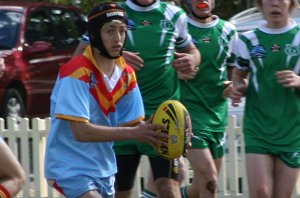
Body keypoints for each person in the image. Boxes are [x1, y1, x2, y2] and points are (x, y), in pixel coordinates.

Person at [44, 3, 166, 198]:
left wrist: (168, 134)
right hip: (69, 167)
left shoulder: (127, 74)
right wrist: (135, 132)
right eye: (110, 31)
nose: (118, 38)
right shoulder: (75, 72)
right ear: (94, 34)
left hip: (105, 169)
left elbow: (134, 124)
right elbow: (80, 132)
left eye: (122, 31)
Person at [113, 0, 200, 197]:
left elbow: (192, 50)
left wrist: (192, 59)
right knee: (121, 191)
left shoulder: (175, 14)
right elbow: (81, 55)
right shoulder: (113, 12)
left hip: (164, 118)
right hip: (121, 118)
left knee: (169, 187)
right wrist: (115, 57)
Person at [229, 0, 300, 197]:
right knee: (261, 192)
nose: (275, 4)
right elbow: (239, 74)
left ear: (291, 3)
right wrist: (238, 87)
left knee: (282, 195)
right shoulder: (248, 39)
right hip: (258, 125)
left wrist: (298, 80)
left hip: (292, 127)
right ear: (260, 3)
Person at [174, 0, 238, 197]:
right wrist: (174, 71)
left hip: (217, 114)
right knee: (209, 178)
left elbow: (237, 69)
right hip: (188, 113)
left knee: (203, 186)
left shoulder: (228, 30)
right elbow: (161, 64)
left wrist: (233, 84)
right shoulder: (179, 25)